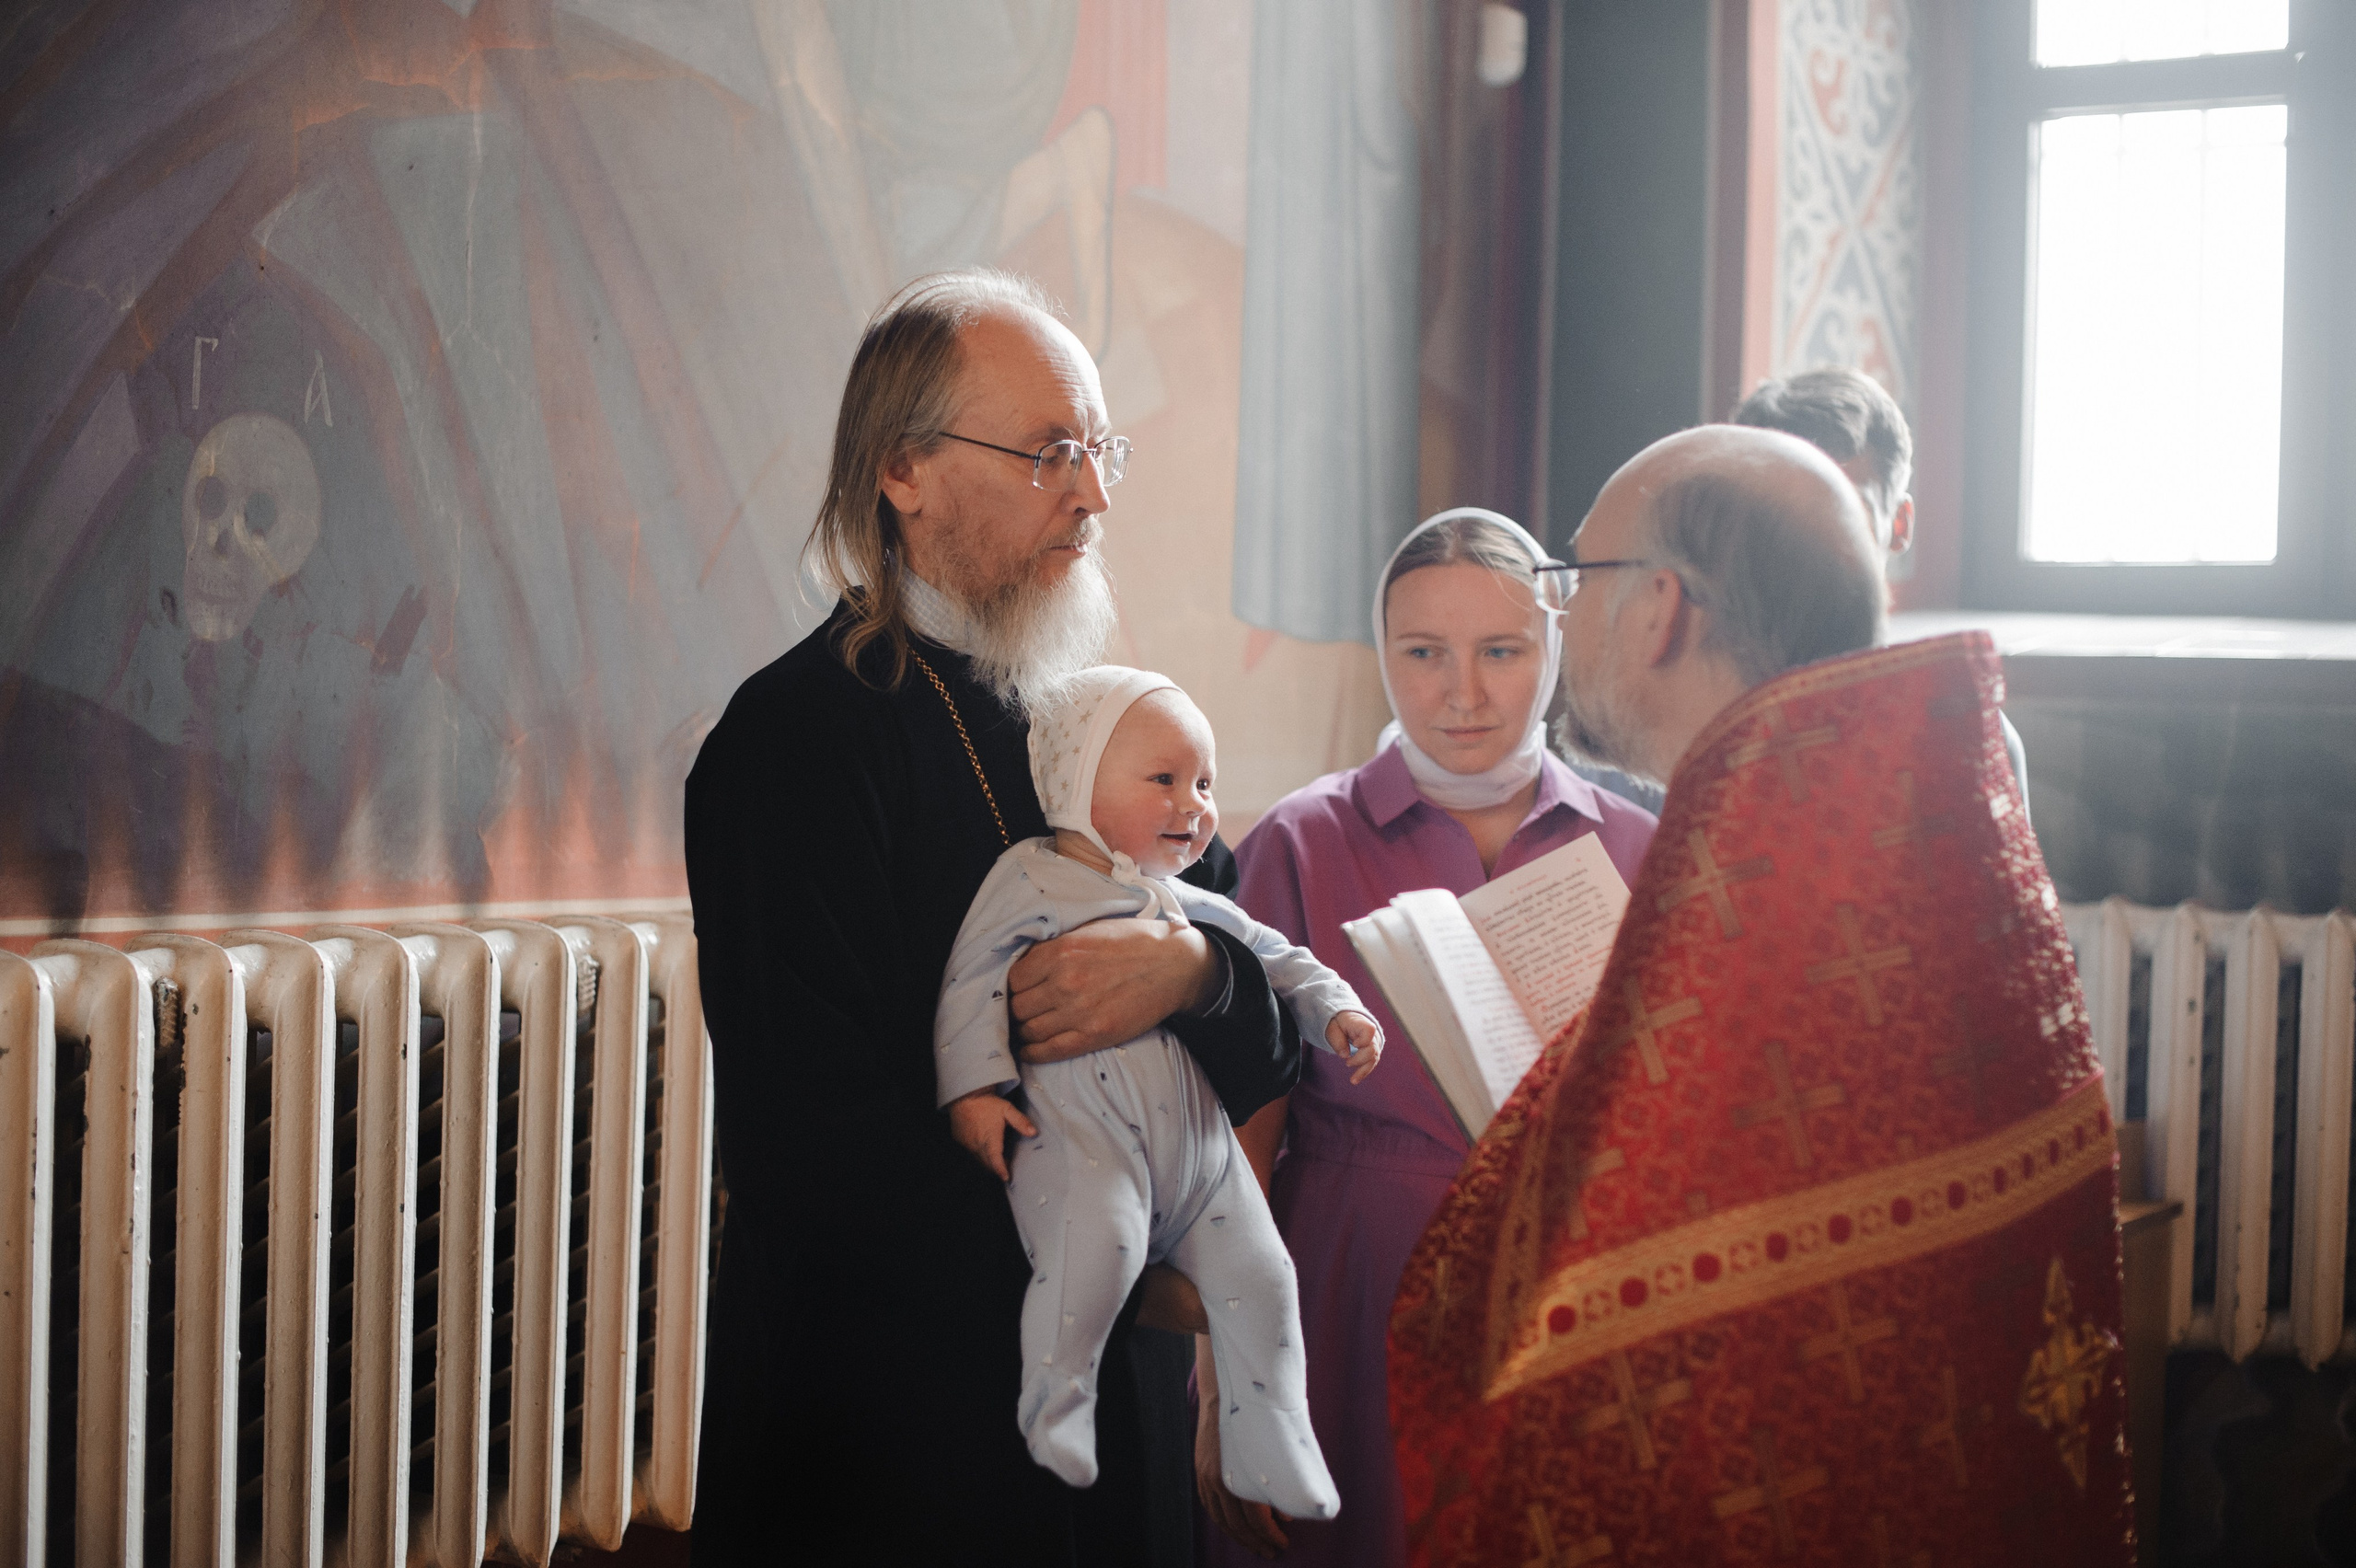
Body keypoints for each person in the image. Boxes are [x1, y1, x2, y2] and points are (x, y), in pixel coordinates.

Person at [1387, 426, 2131, 1565]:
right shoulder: (1905, 844)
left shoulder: (1770, 896)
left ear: (1659, 611)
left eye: (1573, 579)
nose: (1557, 616)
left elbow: (1610, 1362)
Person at [684, 270, 1304, 1566]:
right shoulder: (796, 741)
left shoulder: (1098, 721)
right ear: (905, 471)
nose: (1094, 494)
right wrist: (1125, 1267)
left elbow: (1269, 1021)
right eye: (1049, 453)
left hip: (1104, 1423)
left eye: (1098, 450)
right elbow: (818, 1159)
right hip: (892, 1436)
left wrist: (1190, 973)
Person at [1203, 510, 1659, 1565]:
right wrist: (1224, 1376)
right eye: (1423, 654)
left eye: (1500, 652)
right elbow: (1239, 1141)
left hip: (1569, 1282)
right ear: (1383, 655)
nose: (1462, 693)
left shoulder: (1638, 844)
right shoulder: (1300, 842)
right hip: (1352, 1276)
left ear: (1553, 649)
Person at [937, 666, 1382, 1517]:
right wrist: (977, 1089)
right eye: (1166, 781)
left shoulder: (1185, 897)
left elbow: (1277, 959)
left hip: (1202, 1159)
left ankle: (1273, 1442)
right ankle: (1058, 1406)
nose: (1196, 806)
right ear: (1077, 786)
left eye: (1206, 783)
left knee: (1266, 1278)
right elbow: (972, 981)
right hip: (1087, 1143)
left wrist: (1339, 1011)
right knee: (1090, 1254)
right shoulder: (1031, 880)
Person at [1730, 367, 2030, 814]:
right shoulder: (1672, 724)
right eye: (1778, 517)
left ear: (1900, 525)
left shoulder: (1967, 739)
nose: (1811, 547)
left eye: (1849, 511)